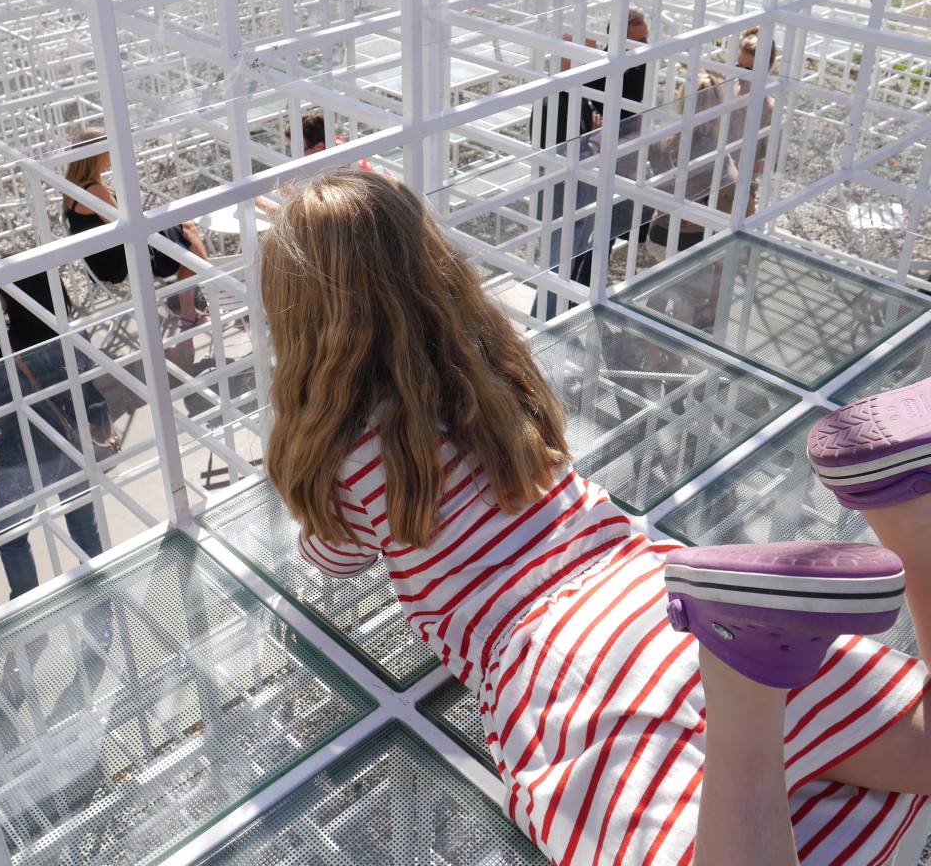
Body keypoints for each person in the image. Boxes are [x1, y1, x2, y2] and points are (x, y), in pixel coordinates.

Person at [260, 169, 930, 866]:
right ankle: (911, 517)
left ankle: (743, 694)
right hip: (654, 589)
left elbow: (336, 555)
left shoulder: (339, 451)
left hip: (549, 658)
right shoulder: (494, 369)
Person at [0, 272, 109, 601]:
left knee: (11, 537)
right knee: (83, 526)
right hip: (70, 450)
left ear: (9, 302)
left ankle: (27, 607)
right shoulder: (75, 337)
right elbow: (93, 398)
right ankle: (100, 593)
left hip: (21, 460)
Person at [531, 9, 652, 319]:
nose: (642, 47)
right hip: (572, 190)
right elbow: (560, 154)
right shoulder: (562, 96)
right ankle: (546, 319)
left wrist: (599, 139)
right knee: (563, 257)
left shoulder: (633, 71)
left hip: (604, 175)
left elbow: (632, 122)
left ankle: (571, 306)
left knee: (596, 242)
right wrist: (596, 139)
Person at [62, 128, 209, 327]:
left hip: (103, 257)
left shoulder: (76, 186)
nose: (113, 153)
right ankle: (195, 303)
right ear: (97, 156)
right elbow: (127, 223)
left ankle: (192, 296)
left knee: (186, 230)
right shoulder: (93, 190)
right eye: (109, 149)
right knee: (190, 239)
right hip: (119, 260)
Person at [645, 68, 740, 262]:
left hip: (660, 234)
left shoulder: (662, 141)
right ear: (718, 107)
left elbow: (651, 182)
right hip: (699, 238)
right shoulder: (716, 150)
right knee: (708, 289)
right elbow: (731, 190)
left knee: (658, 291)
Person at [727, 26, 778, 214]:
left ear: (768, 67)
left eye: (749, 69)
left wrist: (753, 168)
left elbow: (773, 154)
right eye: (738, 66)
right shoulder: (730, 87)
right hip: (716, 168)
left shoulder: (769, 106)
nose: (741, 73)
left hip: (744, 178)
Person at [284, 112, 375, 171]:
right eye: (289, 148)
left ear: (319, 146)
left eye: (298, 151)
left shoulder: (339, 167)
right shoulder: (332, 143)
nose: (293, 155)